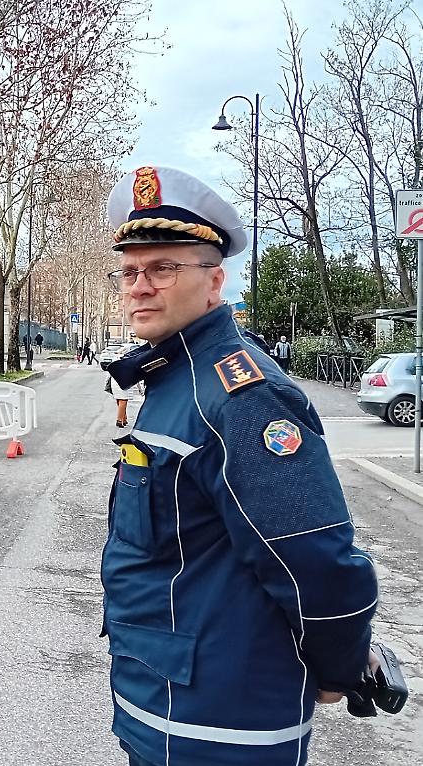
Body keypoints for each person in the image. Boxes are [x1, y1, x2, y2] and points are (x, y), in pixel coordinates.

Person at [102, 166, 378, 766]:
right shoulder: (178, 378)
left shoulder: (238, 392)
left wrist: (339, 665)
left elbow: (316, 559)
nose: (139, 286)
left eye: (164, 268)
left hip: (220, 728)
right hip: (168, 706)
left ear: (215, 281)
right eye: (129, 270)